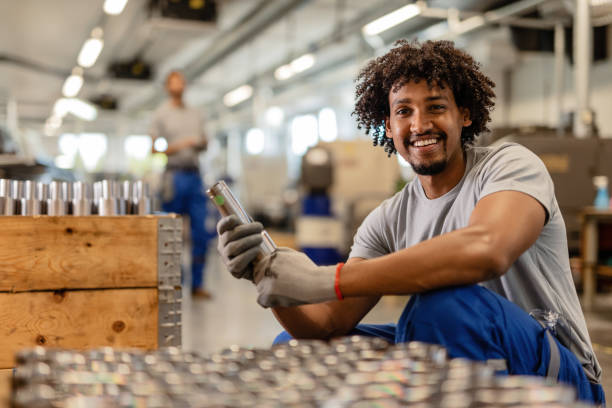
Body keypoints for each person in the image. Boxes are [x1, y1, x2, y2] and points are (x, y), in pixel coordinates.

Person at [215, 40, 605, 404]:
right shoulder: (388, 219)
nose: (419, 125)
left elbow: (487, 249)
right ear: (387, 125)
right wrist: (270, 277)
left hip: (559, 380)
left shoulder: (509, 165)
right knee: (298, 348)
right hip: (475, 364)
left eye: (436, 106)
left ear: (464, 114)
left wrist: (326, 280)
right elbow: (325, 323)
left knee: (443, 306)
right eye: (404, 111)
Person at [150, 70, 211, 299]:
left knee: (200, 233)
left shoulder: (196, 114)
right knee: (170, 233)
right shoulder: (161, 114)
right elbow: (154, 149)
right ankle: (173, 282)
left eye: (182, 81)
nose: (179, 85)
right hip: (173, 178)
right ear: (167, 86)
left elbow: (205, 142)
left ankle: (197, 285)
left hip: (195, 176)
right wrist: (181, 145)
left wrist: (200, 143)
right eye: (174, 82)